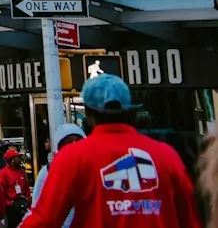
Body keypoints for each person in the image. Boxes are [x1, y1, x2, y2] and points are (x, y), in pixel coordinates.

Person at [20, 74, 199, 227]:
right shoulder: (166, 156)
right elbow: (190, 219)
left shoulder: (72, 158)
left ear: (89, 115)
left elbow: (44, 220)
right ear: (129, 112)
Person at [25, 123, 84, 228]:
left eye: (78, 140)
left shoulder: (93, 168)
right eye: (68, 141)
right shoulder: (47, 172)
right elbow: (38, 206)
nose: (74, 145)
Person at [0, 149, 30, 227]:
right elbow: (0, 192)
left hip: (23, 205)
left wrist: (28, 201)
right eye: (18, 157)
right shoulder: (3, 173)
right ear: (12, 160)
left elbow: (26, 188)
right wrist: (9, 203)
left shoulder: (21, 172)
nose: (20, 159)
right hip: (11, 207)